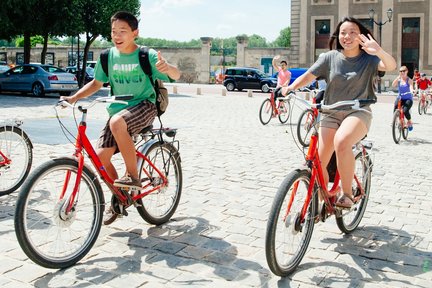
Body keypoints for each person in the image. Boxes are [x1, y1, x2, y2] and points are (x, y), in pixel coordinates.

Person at [62, 11, 180, 224]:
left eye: (123, 31)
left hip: (144, 105)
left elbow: (177, 74)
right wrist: (73, 98)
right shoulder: (107, 56)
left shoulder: (147, 55)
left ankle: (133, 177)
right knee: (100, 159)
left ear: (135, 33)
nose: (117, 35)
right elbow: (97, 84)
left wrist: (167, 68)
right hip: (118, 110)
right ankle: (120, 197)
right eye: (114, 31)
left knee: (118, 122)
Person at [281, 17, 396, 208]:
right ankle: (322, 197)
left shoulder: (370, 59)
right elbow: (308, 76)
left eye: (352, 32)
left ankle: (347, 194)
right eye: (343, 32)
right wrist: (289, 88)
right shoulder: (329, 57)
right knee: (320, 161)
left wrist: (379, 50)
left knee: (342, 142)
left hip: (358, 112)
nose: (347, 36)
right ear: (338, 36)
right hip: (330, 112)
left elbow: (390, 66)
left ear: (361, 36)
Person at [392, 66, 414, 131]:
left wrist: (412, 91)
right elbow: (393, 85)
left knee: (405, 111)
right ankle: (396, 121)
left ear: (407, 71)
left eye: (403, 71)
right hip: (400, 97)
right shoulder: (399, 79)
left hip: (408, 99)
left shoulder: (409, 80)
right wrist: (397, 78)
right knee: (395, 107)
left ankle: (409, 121)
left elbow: (411, 86)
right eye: (400, 71)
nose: (402, 72)